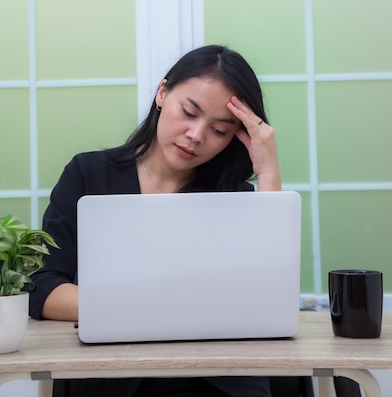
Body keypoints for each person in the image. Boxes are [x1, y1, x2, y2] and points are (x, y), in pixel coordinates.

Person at [28, 45, 281, 397]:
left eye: (220, 131)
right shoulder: (88, 175)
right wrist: (140, 308)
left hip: (218, 378)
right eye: (189, 112)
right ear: (163, 93)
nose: (196, 135)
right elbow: (42, 286)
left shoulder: (232, 197)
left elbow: (268, 297)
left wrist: (268, 172)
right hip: (112, 377)